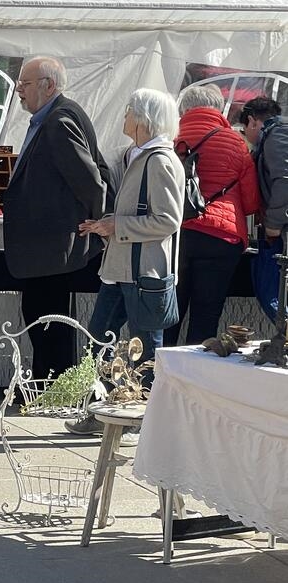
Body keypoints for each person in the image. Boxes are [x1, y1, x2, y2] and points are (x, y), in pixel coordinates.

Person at [74, 89, 182, 421]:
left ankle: (144, 420)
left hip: (144, 273)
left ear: (144, 118)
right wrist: (109, 224)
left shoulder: (160, 160)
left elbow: (167, 220)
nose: (124, 116)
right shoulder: (135, 155)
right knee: (96, 343)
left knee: (145, 353)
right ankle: (98, 412)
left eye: (129, 110)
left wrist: (116, 226)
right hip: (121, 270)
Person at [0, 56, 110, 379]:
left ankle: (53, 389)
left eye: (25, 83)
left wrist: (97, 222)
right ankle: (47, 386)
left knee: (48, 319)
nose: (19, 89)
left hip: (53, 249)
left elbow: (92, 181)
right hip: (45, 248)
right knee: (42, 316)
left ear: (48, 86)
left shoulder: (59, 121)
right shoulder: (51, 117)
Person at [164, 84, 260, 346]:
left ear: (183, 108)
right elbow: (251, 203)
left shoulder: (168, 138)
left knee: (169, 314)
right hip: (221, 239)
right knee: (206, 318)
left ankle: (157, 381)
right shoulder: (235, 142)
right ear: (219, 108)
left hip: (175, 235)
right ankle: (196, 382)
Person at [242, 96, 287, 319]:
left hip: (280, 232)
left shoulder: (277, 134)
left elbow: (284, 179)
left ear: (252, 121)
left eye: (244, 129)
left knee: (271, 292)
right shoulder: (275, 134)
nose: (246, 136)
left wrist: (273, 224)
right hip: (278, 231)